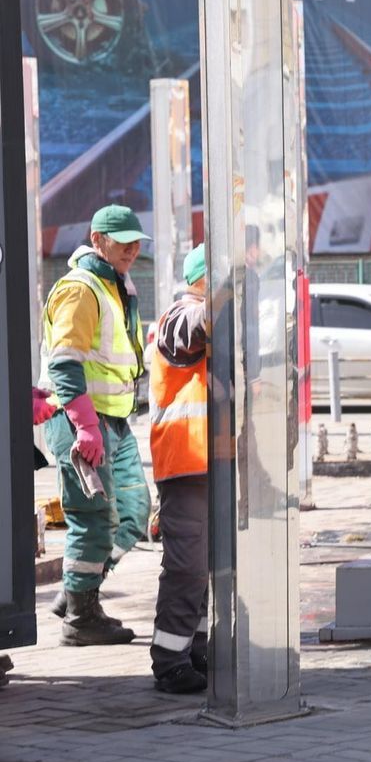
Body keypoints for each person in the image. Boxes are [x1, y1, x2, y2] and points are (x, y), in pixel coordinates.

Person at [40, 204, 151, 646]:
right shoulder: (81, 288)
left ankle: (76, 591)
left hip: (115, 421)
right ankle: (82, 616)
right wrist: (85, 426)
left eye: (136, 240)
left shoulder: (118, 287)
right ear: (96, 238)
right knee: (93, 518)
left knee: (134, 513)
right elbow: (65, 363)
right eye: (122, 239)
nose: (132, 248)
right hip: (81, 420)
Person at [147, 244, 211, 694]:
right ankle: (169, 659)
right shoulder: (180, 315)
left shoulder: (220, 321)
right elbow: (192, 328)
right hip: (187, 463)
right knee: (188, 567)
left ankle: (196, 647)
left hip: (212, 462)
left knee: (207, 565)